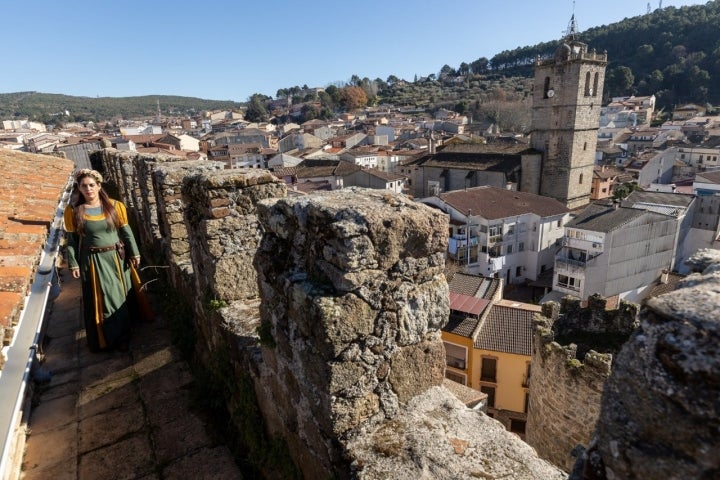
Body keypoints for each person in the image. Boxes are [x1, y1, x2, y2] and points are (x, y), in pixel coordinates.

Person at [63, 168, 143, 352]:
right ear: (79, 189)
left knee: (120, 295)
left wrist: (135, 253)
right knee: (104, 298)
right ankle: (109, 338)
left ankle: (125, 332)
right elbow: (72, 240)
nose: (88, 189)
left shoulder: (115, 206)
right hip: (92, 261)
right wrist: (73, 262)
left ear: (99, 186)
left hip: (116, 258)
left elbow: (126, 232)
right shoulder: (73, 211)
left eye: (92, 185)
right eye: (84, 186)